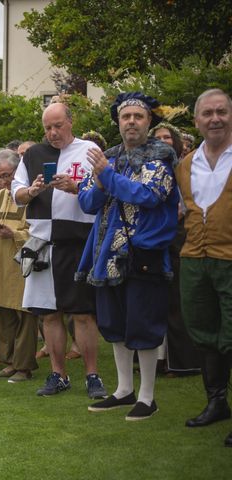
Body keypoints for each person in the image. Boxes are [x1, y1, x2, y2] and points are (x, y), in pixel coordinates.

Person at [78, 92, 179, 420]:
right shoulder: (107, 157)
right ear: (118, 122)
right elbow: (88, 202)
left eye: (138, 116)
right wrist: (99, 181)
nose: (132, 121)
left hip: (143, 252)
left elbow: (148, 195)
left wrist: (106, 176)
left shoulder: (161, 155)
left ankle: (148, 398)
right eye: (126, 117)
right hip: (106, 254)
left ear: (149, 121)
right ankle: (124, 390)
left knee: (144, 324)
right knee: (115, 324)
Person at [11, 102, 107, 399]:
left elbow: (106, 188)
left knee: (82, 313)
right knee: (49, 315)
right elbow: (17, 193)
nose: (52, 133)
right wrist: (33, 191)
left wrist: (76, 187)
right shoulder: (34, 155)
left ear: (70, 122)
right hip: (42, 242)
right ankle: (58, 374)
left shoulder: (89, 149)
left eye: (57, 126)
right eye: (47, 128)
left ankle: (93, 375)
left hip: (77, 240)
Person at [175, 88, 232, 447]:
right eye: (208, 113)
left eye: (222, 112)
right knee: (203, 331)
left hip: (230, 259)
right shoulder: (185, 164)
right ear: (196, 121)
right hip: (195, 259)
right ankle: (217, 402)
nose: (215, 119)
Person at [150, 121, 200, 375]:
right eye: (157, 137)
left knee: (178, 299)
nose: (162, 141)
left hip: (178, 236)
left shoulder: (184, 169)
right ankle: (158, 359)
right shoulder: (146, 169)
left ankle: (182, 360)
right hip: (154, 238)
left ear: (176, 142)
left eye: (167, 137)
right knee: (156, 300)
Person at [0, 149, 39, 382]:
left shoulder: (30, 197)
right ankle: (8, 363)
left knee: (24, 316)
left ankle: (24, 366)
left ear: (18, 172)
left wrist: (13, 234)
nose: (4, 181)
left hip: (21, 265)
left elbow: (38, 231)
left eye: (8, 175)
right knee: (2, 315)